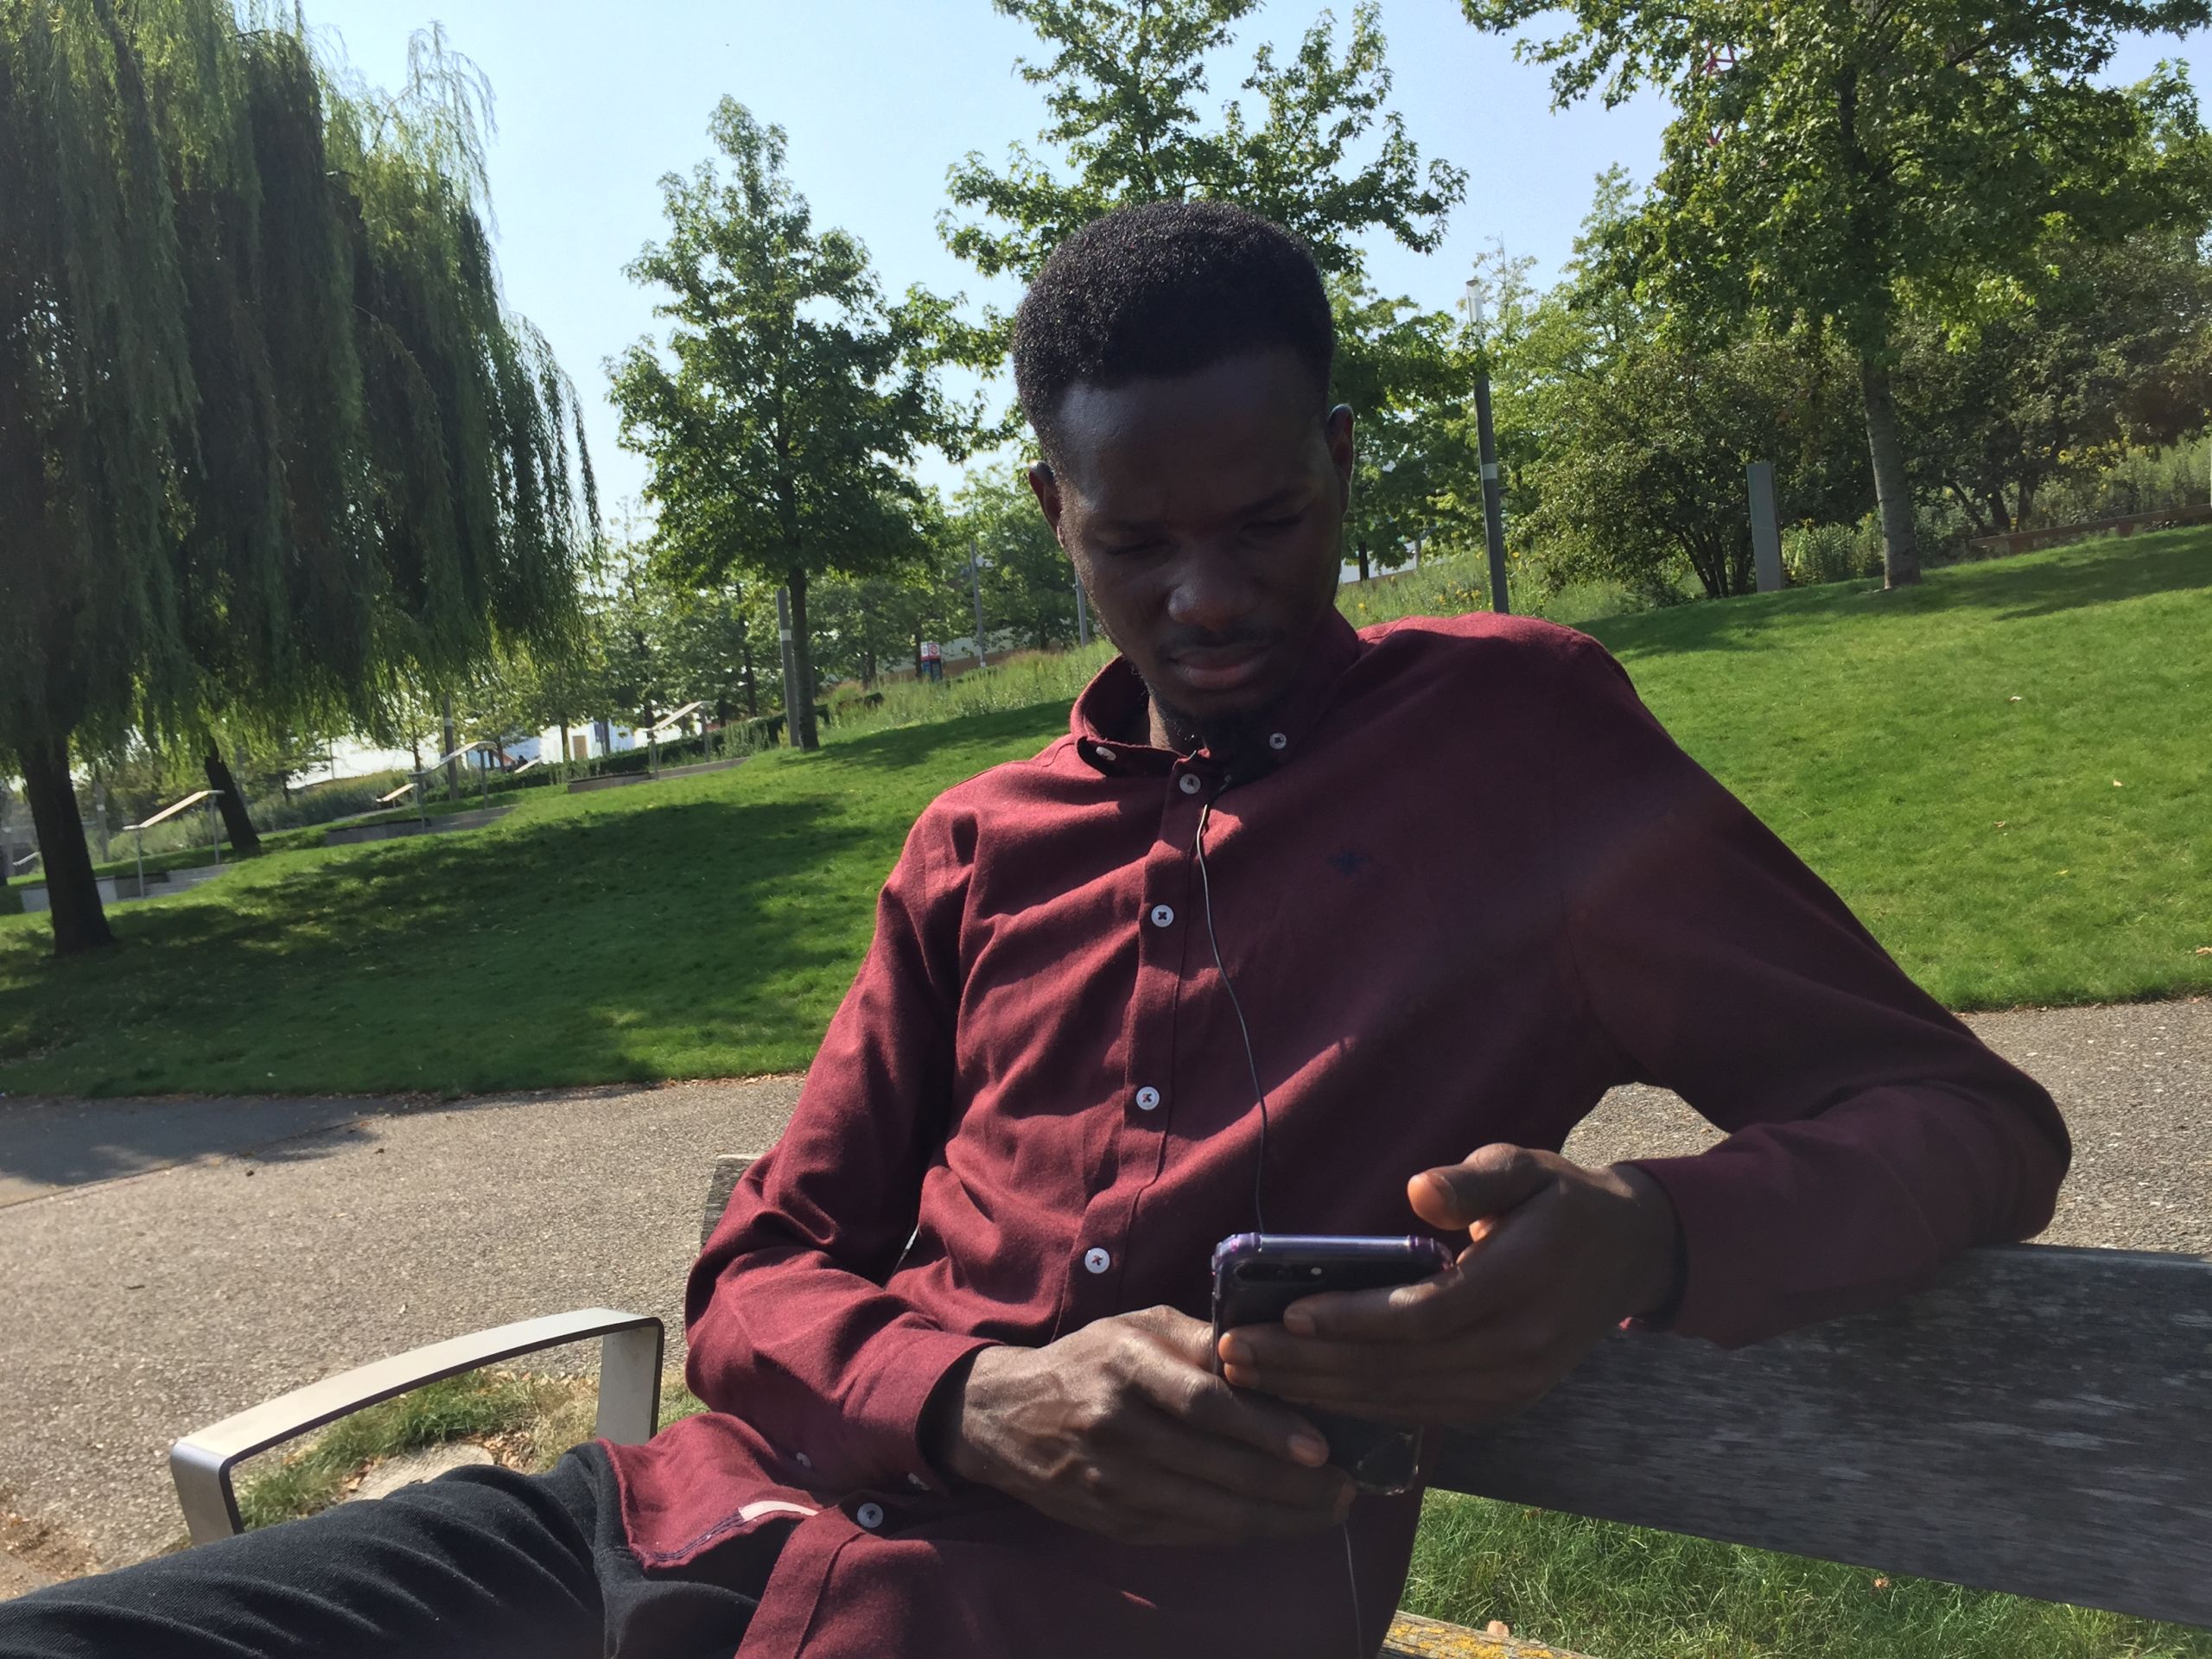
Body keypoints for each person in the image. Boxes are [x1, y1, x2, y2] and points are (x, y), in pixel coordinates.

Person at [0, 200, 2068, 1659]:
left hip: (1071, 1615)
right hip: (658, 1532)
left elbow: (1965, 1121)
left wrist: (1648, 1234)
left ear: (1343, 465)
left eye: (1264, 523)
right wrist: (962, 1397)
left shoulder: (1524, 747)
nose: (1206, 598)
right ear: (1048, 511)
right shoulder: (975, 843)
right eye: (1132, 541)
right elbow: (754, 1279)